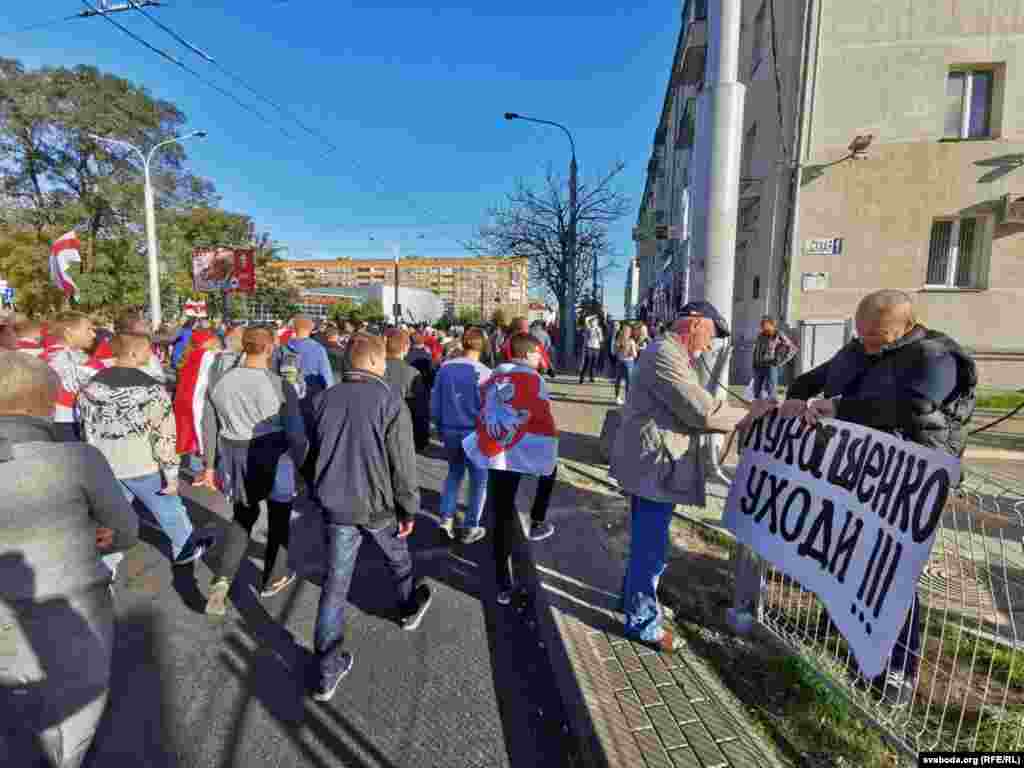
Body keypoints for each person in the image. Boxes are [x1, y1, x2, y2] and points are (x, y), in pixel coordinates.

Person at [770, 289, 976, 702]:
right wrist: (793, 404)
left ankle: (899, 668)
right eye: (861, 334)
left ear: (906, 326)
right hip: (854, 479)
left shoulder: (937, 356)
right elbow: (810, 381)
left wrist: (839, 408)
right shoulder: (858, 349)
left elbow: (912, 408)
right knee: (843, 557)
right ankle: (847, 630)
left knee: (893, 572)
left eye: (876, 337)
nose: (866, 344)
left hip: (908, 488)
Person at [0, 352, 139, 768]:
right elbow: (126, 531)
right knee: (67, 727)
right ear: (42, 403)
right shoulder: (78, 459)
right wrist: (94, 537)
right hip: (71, 607)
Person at [305, 334, 433, 702]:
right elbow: (403, 466)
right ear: (377, 363)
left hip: (336, 506)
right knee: (398, 557)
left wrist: (317, 489)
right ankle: (408, 606)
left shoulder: (322, 400)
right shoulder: (391, 402)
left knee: (335, 583)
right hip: (377, 504)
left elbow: (311, 453)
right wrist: (409, 508)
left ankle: (327, 669)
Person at [610, 312, 748, 651]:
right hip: (654, 466)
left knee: (646, 541)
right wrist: (751, 415)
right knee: (652, 548)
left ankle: (630, 603)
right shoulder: (664, 353)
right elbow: (699, 410)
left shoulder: (669, 352)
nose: (710, 344)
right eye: (710, 335)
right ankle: (643, 623)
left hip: (653, 463)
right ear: (696, 323)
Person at [79, 333, 216, 568]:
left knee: (111, 519)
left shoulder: (91, 386)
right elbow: (164, 436)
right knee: (170, 508)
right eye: (147, 350)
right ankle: (184, 548)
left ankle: (104, 564)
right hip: (142, 464)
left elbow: (86, 426)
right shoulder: (151, 389)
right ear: (133, 354)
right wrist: (172, 475)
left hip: (105, 464)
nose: (151, 354)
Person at [198, 327, 307, 612]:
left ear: (244, 346)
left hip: (234, 452)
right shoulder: (279, 384)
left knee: (243, 516)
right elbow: (296, 434)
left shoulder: (220, 381)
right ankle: (274, 577)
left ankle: (223, 579)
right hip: (273, 453)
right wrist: (303, 465)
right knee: (280, 515)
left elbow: (209, 425)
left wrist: (209, 464)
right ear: (270, 348)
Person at [464, 333, 559, 605]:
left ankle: (503, 581)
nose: (541, 360)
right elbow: (543, 416)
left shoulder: (492, 377)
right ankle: (538, 520)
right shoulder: (534, 378)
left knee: (501, 514)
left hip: (495, 450)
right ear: (528, 354)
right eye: (538, 354)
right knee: (550, 469)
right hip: (522, 447)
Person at [431, 327, 491, 544]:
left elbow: (435, 400)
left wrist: (437, 425)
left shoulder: (445, 368)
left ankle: (446, 519)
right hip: (475, 431)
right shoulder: (485, 373)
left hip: (449, 428)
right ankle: (470, 525)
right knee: (479, 480)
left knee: (454, 473)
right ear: (482, 346)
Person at [43, 312, 103, 443]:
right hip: (73, 425)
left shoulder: (41, 358)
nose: (93, 334)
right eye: (88, 329)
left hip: (48, 424)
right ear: (69, 332)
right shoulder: (84, 363)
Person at [174, 330, 222, 469]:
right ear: (209, 341)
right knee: (203, 433)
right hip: (199, 401)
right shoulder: (208, 355)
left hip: (183, 400)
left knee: (189, 433)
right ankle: (204, 470)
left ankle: (193, 467)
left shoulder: (188, 354)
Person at [383, 329, 430, 452]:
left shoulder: (374, 368)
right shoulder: (412, 373)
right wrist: (421, 441)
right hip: (401, 434)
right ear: (406, 347)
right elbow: (421, 411)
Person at [272, 316, 334, 404]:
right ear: (311, 329)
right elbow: (326, 376)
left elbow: (275, 373)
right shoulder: (318, 349)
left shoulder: (282, 348)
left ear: (294, 328)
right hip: (312, 397)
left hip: (288, 396)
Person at [750, 315, 797, 401]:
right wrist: (754, 363)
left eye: (764, 324)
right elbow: (756, 350)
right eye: (761, 324)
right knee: (756, 391)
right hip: (758, 366)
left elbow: (793, 349)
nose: (761, 326)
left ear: (771, 324)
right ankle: (759, 407)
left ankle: (771, 408)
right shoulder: (760, 335)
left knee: (771, 391)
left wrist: (782, 361)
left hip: (770, 366)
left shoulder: (778, 334)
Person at [613, 324, 638, 406]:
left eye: (627, 331)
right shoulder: (618, 340)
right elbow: (614, 352)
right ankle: (617, 397)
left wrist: (630, 352)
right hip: (620, 362)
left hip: (629, 363)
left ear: (630, 333)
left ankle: (628, 399)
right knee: (618, 380)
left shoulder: (631, 341)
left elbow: (635, 355)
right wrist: (618, 348)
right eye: (624, 331)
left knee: (629, 382)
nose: (625, 333)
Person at [579, 315, 603, 384]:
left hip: (596, 348)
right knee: (587, 363)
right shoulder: (588, 328)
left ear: (597, 323)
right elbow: (586, 319)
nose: (593, 323)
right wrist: (593, 316)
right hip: (589, 347)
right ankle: (582, 378)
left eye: (595, 322)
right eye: (592, 322)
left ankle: (592, 377)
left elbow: (601, 340)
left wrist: (599, 334)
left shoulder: (598, 329)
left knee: (594, 363)